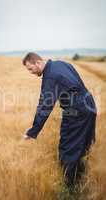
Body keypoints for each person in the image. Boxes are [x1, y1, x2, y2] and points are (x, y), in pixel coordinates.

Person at [22, 52, 97, 190]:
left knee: (68, 146)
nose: (31, 73)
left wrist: (33, 131)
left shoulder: (50, 76)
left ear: (38, 63)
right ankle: (81, 177)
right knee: (84, 142)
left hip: (76, 111)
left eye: (30, 69)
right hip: (89, 104)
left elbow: (45, 105)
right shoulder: (61, 64)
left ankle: (69, 187)